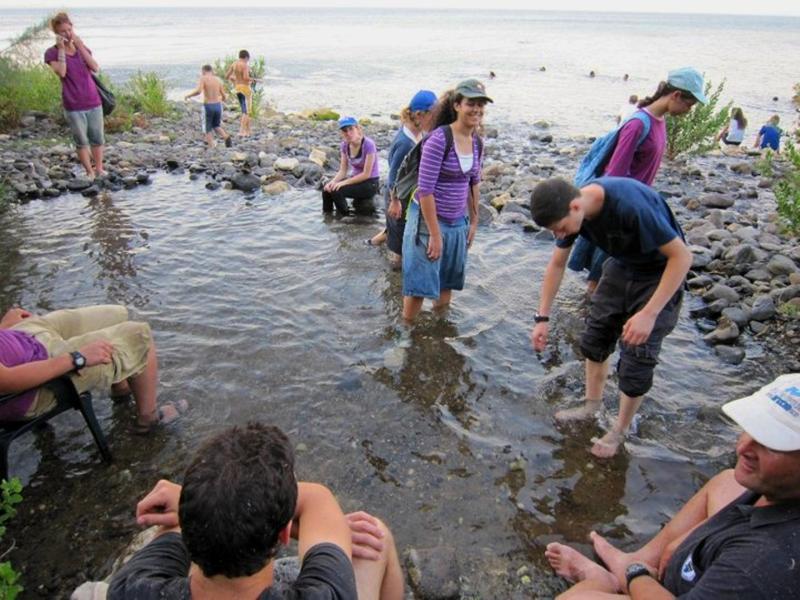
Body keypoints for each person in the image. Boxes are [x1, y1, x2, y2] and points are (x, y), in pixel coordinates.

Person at [544, 373, 800, 599]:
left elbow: (756, 568)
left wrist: (637, 576)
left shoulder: (760, 566)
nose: (743, 448)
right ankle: (637, 558)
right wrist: (694, 539)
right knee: (727, 481)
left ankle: (604, 580)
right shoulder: (782, 489)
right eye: (750, 430)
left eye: (770, 444)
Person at [109, 422, 404, 599]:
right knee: (376, 535)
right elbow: (317, 500)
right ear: (285, 534)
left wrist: (205, 498)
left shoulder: (130, 588)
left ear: (190, 522)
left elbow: (176, 524)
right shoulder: (327, 593)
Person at [529, 177, 692, 457]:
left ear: (576, 206)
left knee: (637, 354)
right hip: (622, 264)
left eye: (560, 228)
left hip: (660, 271)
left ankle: (620, 429)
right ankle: (592, 407)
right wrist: (542, 318)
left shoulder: (630, 206)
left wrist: (649, 314)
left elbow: (682, 257)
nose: (559, 235)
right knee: (594, 339)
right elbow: (557, 264)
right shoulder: (571, 213)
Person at [572, 67, 706, 296]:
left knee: (611, 271)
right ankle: (588, 315)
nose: (688, 110)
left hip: (636, 204)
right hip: (620, 207)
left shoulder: (659, 121)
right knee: (601, 273)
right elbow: (614, 173)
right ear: (675, 95)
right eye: (689, 104)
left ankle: (592, 311)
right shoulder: (637, 124)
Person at [0, 305, 186, 432]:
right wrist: (77, 358)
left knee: (119, 314)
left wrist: (4, 328)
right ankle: (148, 420)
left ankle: (122, 389)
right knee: (140, 335)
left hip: (23, 336)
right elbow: (6, 381)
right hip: (36, 379)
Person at [401, 80, 489, 322]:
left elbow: (474, 183)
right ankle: (404, 337)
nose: (476, 110)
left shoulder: (477, 143)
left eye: (481, 105)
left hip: (457, 221)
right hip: (428, 223)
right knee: (419, 287)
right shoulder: (439, 139)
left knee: (446, 282)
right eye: (471, 103)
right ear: (458, 105)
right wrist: (435, 235)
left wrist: (473, 222)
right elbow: (426, 190)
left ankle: (440, 333)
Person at [366, 89, 438, 267]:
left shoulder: (419, 131)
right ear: (420, 115)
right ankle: (394, 282)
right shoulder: (405, 142)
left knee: (398, 229)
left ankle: (373, 242)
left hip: (408, 193)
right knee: (397, 252)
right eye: (434, 114)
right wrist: (395, 201)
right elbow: (393, 175)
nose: (437, 118)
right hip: (397, 197)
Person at [44, 12, 106, 179]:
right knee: (81, 140)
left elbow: (94, 67)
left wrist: (79, 46)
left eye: (69, 30)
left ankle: (99, 169)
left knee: (97, 138)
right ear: (56, 33)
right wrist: (62, 50)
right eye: (63, 31)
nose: (67, 34)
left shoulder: (81, 48)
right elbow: (62, 73)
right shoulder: (51, 53)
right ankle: (89, 171)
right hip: (73, 103)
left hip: (93, 100)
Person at [322, 117, 380, 215]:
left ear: (357, 129)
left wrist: (343, 183)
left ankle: (345, 217)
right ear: (342, 133)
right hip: (355, 180)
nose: (348, 133)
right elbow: (343, 171)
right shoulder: (344, 145)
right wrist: (332, 182)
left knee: (337, 191)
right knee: (327, 189)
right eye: (345, 131)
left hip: (370, 183)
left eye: (351, 129)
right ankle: (327, 218)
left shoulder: (368, 144)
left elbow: (366, 174)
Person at [185, 65, 233, 149]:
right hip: (218, 105)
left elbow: (199, 91)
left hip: (208, 106)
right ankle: (226, 137)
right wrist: (220, 99)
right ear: (212, 71)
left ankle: (211, 145)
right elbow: (224, 96)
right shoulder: (218, 80)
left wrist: (188, 95)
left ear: (203, 71)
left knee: (207, 127)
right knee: (216, 125)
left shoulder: (203, 78)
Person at [225, 49, 257, 137]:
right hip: (245, 88)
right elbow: (246, 77)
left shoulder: (234, 64)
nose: (248, 61)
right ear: (246, 57)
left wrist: (234, 79)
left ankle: (248, 131)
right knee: (246, 111)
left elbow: (227, 76)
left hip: (237, 87)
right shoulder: (245, 65)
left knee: (245, 109)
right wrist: (255, 80)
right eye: (248, 59)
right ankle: (242, 131)